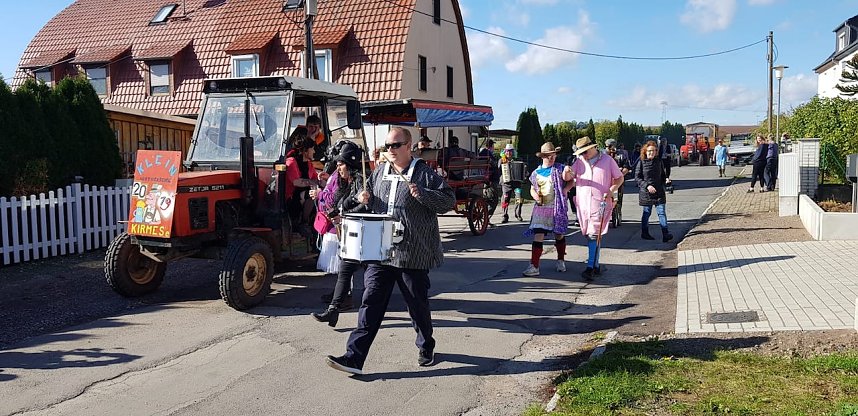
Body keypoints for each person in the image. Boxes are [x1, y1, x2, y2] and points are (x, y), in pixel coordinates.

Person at [325, 127, 455, 375]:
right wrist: (363, 199)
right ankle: (354, 358)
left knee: (416, 305)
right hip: (381, 250)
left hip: (412, 252)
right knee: (370, 302)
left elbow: (448, 200)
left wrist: (424, 195)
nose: (391, 150)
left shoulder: (424, 174)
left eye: (395, 145)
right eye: (387, 146)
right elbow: (373, 202)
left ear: (409, 146)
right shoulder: (379, 172)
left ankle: (426, 345)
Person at [312, 144, 367, 326]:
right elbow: (338, 201)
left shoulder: (361, 180)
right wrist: (336, 210)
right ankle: (333, 310)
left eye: (340, 164)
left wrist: (343, 210)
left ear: (350, 164)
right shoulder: (344, 181)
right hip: (351, 233)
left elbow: (364, 203)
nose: (338, 168)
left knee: (373, 276)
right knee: (345, 271)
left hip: (365, 234)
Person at [570, 136, 624, 280]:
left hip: (600, 203)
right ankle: (597, 264)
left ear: (593, 148)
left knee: (594, 234)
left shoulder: (607, 160)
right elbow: (569, 177)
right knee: (591, 235)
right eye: (581, 153)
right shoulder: (579, 161)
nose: (583, 155)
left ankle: (590, 267)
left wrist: (611, 190)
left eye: (585, 151)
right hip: (583, 204)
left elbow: (619, 178)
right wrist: (567, 173)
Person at [522, 142, 574, 277]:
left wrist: (565, 188)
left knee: (559, 234)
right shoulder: (536, 173)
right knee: (538, 234)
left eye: (553, 155)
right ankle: (534, 265)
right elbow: (532, 187)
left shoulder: (559, 169)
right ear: (542, 156)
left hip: (556, 207)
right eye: (548, 156)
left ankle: (561, 260)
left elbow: (570, 180)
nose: (551, 158)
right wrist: (535, 196)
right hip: (541, 208)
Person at [635, 140, 673, 243]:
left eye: (653, 151)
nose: (651, 152)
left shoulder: (659, 161)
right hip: (646, 192)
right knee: (647, 213)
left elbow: (663, 176)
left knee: (661, 213)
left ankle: (665, 234)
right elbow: (637, 178)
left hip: (659, 191)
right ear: (645, 152)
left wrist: (666, 180)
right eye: (649, 151)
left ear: (656, 152)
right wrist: (647, 186)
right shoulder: (641, 162)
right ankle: (645, 232)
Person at [284, 132, 320, 236]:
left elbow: (314, 178)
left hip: (301, 196)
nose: (314, 151)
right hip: (290, 198)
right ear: (305, 151)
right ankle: (303, 223)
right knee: (311, 195)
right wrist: (314, 182)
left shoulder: (308, 164)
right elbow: (297, 182)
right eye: (312, 148)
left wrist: (322, 179)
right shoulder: (291, 162)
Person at [605, 139, 631, 223]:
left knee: (618, 198)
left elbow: (627, 167)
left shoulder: (621, 155)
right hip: (605, 181)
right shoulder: (602, 156)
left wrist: (620, 175)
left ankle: (618, 213)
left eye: (611, 146)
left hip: (618, 181)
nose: (609, 148)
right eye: (607, 147)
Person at [499, 144, 524, 223]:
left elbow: (523, 168)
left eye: (510, 151)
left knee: (519, 198)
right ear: (505, 151)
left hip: (517, 184)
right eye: (507, 151)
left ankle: (518, 214)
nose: (509, 153)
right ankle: (504, 216)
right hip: (506, 184)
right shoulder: (502, 160)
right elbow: (498, 169)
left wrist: (525, 173)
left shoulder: (518, 159)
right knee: (505, 200)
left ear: (513, 152)